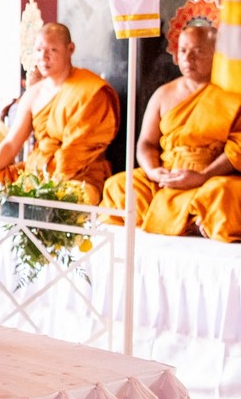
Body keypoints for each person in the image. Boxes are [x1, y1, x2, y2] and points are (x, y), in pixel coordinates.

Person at [101, 25, 241, 241]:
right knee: (119, 185)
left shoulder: (232, 95)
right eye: (183, 50)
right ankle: (191, 221)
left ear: (215, 53)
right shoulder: (164, 93)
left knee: (224, 193)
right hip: (167, 176)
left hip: (210, 177)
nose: (188, 58)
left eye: (198, 51)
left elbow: (236, 150)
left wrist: (203, 176)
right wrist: (153, 171)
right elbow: (146, 143)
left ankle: (188, 218)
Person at [0, 22, 120, 204]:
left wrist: (46, 186)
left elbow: (76, 154)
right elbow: (11, 144)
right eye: (38, 50)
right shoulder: (33, 93)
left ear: (70, 49)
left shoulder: (90, 91)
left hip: (79, 176)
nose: (43, 57)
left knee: (66, 199)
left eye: (52, 50)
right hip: (36, 172)